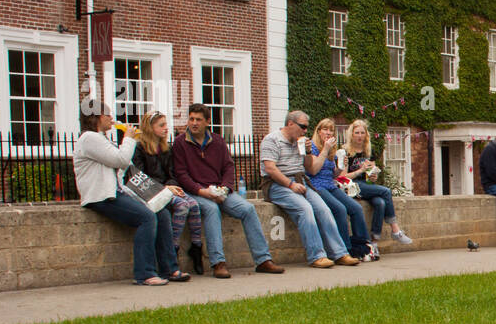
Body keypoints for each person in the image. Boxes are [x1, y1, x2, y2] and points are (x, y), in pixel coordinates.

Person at [73, 108, 186, 286]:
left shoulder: (99, 138)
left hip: (116, 191)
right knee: (147, 218)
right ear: (98, 117)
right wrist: (128, 138)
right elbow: (121, 160)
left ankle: (169, 268)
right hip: (101, 196)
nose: (112, 118)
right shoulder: (89, 138)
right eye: (108, 115)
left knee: (161, 213)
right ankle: (145, 274)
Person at [173, 103, 282, 279]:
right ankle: (218, 263)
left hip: (221, 190)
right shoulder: (180, 143)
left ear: (208, 122)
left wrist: (225, 188)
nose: (193, 123)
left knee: (247, 209)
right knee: (211, 209)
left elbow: (228, 167)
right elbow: (181, 174)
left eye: (198, 120)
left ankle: (263, 260)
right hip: (196, 192)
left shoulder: (218, 141)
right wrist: (202, 192)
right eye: (191, 119)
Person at [260, 111, 359, 268]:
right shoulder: (272, 140)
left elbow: (308, 167)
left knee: (324, 209)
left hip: (300, 181)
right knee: (305, 209)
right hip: (277, 184)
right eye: (303, 127)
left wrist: (306, 152)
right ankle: (317, 256)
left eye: (307, 127)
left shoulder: (299, 142)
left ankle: (339, 253)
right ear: (290, 124)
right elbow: (270, 169)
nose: (305, 131)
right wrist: (290, 184)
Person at [131, 110, 204, 274]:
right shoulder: (139, 149)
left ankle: (197, 247)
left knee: (193, 205)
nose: (166, 128)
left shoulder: (166, 147)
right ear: (150, 128)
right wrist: (165, 189)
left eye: (166, 124)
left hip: (168, 188)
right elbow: (140, 178)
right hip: (153, 192)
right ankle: (174, 247)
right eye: (161, 125)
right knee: (182, 206)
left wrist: (172, 186)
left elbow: (172, 173)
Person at [307, 118, 375, 261]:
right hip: (317, 185)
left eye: (331, 130)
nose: (328, 132)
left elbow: (333, 174)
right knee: (340, 209)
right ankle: (345, 250)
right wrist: (325, 150)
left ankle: (364, 247)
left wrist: (339, 167)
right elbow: (313, 171)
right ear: (318, 131)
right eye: (325, 129)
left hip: (330, 184)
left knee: (356, 208)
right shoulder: (312, 147)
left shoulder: (332, 149)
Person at [336, 119, 413, 246]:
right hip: (350, 186)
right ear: (351, 134)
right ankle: (395, 229)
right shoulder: (345, 152)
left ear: (366, 135)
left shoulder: (368, 152)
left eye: (362, 133)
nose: (360, 136)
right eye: (357, 133)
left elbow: (370, 179)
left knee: (381, 203)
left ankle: (374, 241)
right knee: (386, 191)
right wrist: (361, 170)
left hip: (364, 186)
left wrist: (372, 177)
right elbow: (342, 177)